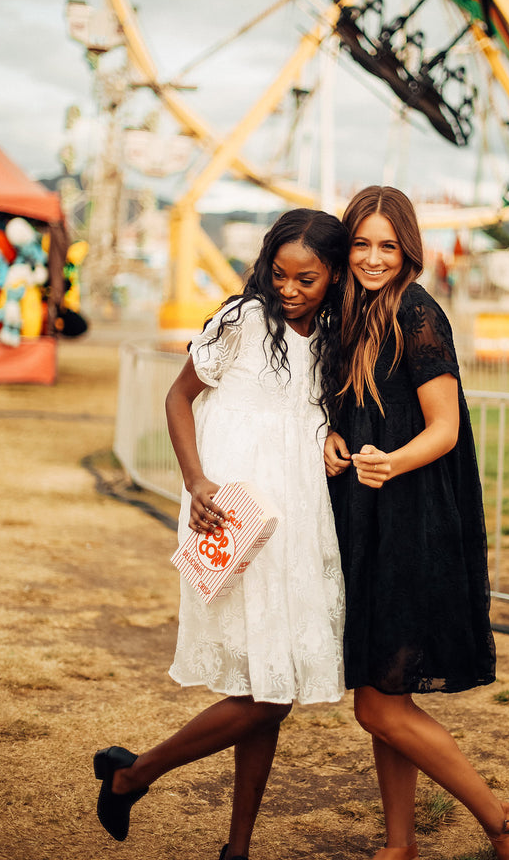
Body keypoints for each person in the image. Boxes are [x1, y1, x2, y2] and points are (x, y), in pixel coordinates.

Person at [93, 209, 348, 859]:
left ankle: (236, 848)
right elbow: (179, 399)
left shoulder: (335, 337)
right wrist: (194, 480)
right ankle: (133, 774)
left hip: (299, 523)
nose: (289, 289)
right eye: (280, 274)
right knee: (268, 696)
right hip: (233, 513)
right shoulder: (243, 323)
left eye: (308, 279)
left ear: (335, 277)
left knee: (265, 690)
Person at [324, 186, 509, 860]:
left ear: (408, 248)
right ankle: (399, 844)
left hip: (409, 521)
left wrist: (389, 463)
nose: (371, 257)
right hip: (365, 518)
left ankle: (504, 821)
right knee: (379, 689)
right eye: (361, 243)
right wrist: (327, 438)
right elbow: (346, 409)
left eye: (386, 245)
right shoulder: (345, 315)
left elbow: (444, 428)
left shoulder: (416, 311)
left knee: (376, 703)